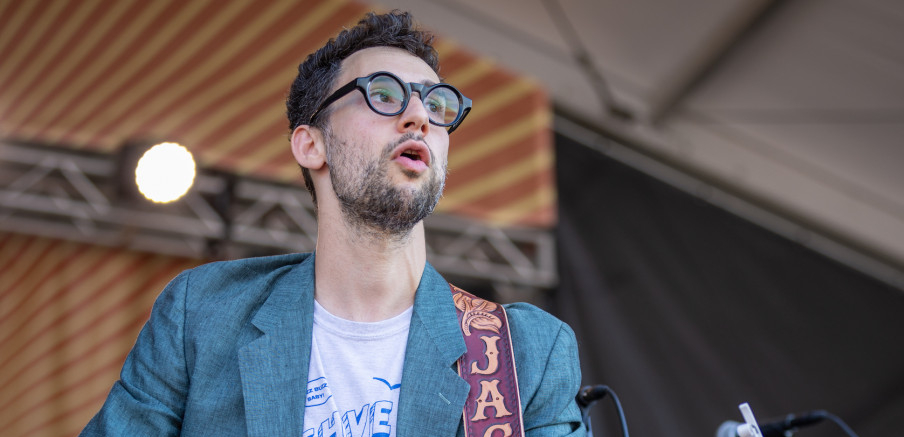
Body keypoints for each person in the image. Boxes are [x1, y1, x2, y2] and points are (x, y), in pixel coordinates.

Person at [81, 10, 584, 437]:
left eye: (436, 103)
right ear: (310, 144)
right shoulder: (203, 316)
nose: (419, 118)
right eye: (384, 95)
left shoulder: (522, 354)